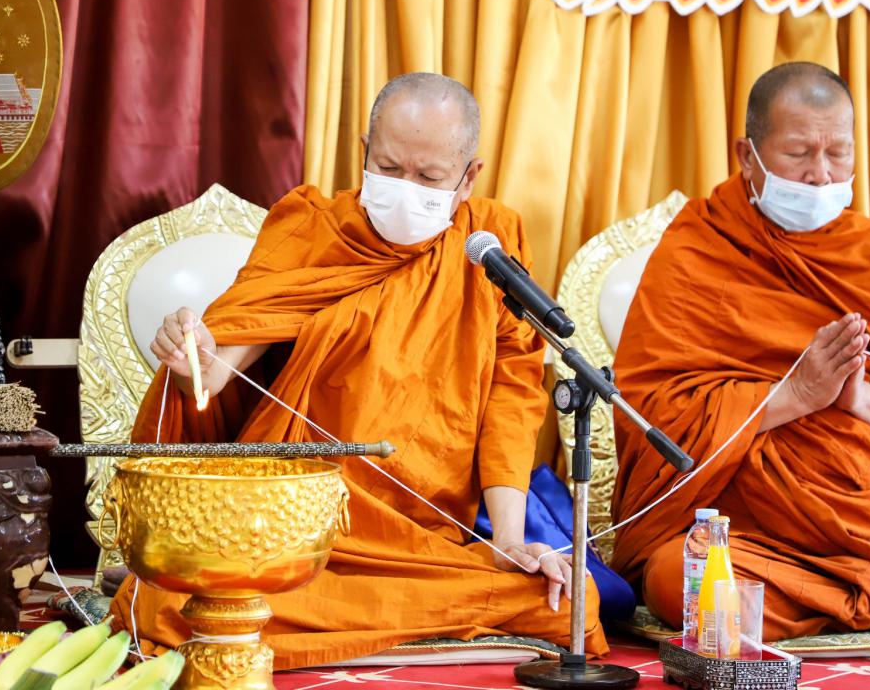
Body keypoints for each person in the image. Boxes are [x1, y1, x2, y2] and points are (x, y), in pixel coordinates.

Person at [109, 73, 608, 668]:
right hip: (289, 533)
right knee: (166, 603)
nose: (405, 189)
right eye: (389, 167)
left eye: (429, 178)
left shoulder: (490, 244)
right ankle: (409, 638)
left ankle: (321, 637)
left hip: (422, 546)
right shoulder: (311, 227)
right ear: (365, 150)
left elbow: (511, 398)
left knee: (568, 603)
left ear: (469, 176)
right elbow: (214, 372)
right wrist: (191, 351)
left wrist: (506, 542)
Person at [611, 62, 870, 640]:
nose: (820, 175)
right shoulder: (696, 253)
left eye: (838, 153)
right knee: (681, 581)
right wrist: (795, 396)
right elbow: (653, 418)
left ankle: (869, 599)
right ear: (747, 155)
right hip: (746, 529)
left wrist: (859, 400)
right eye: (798, 153)